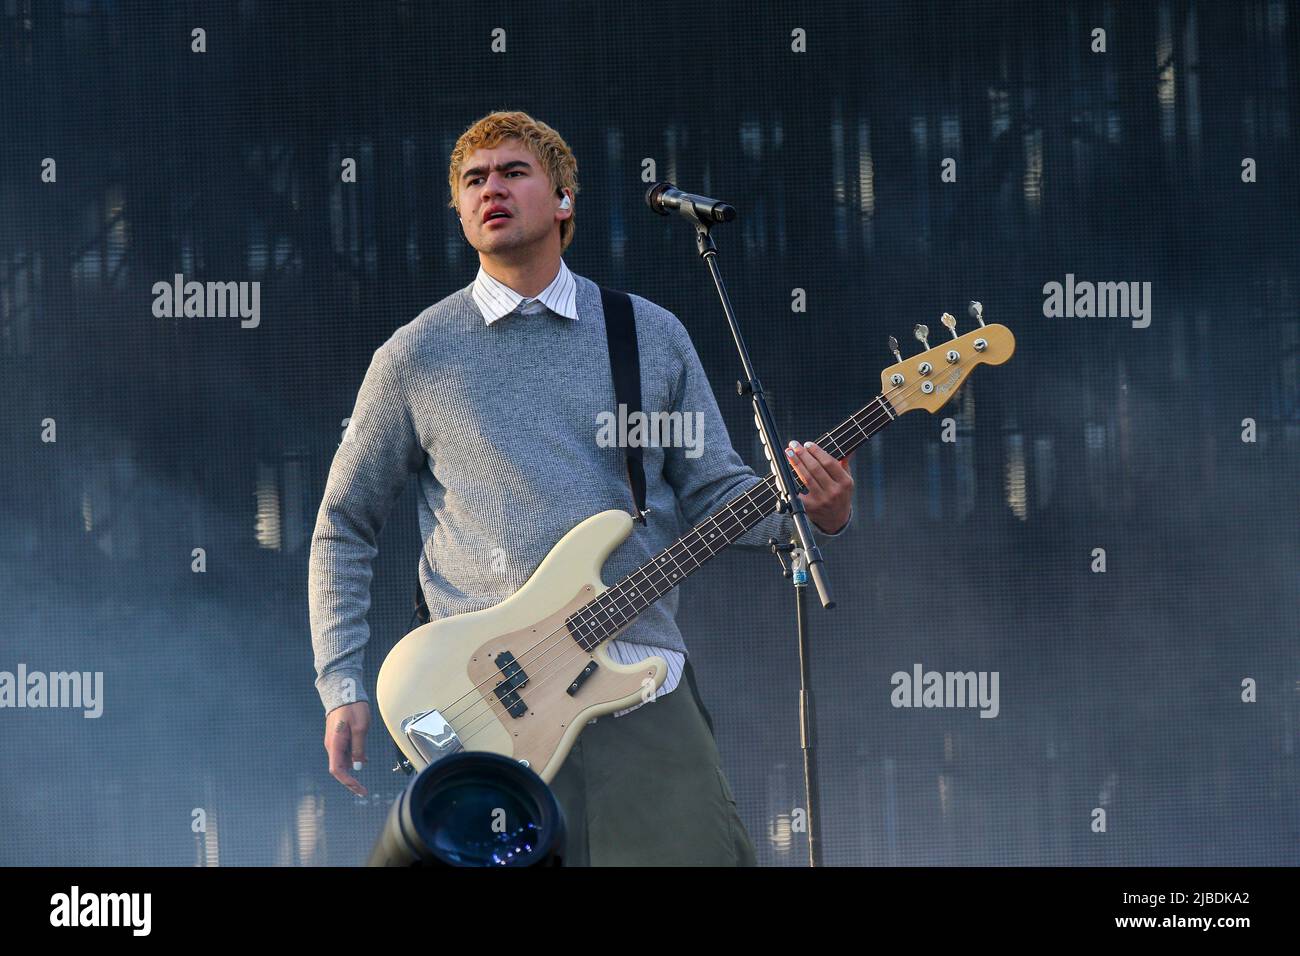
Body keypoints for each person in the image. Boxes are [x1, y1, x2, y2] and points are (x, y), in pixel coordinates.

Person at [308, 110, 854, 865]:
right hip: (490, 708)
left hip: (643, 691)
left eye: (512, 172)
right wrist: (341, 682)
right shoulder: (415, 356)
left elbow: (715, 491)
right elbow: (344, 522)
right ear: (460, 211)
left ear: (564, 200)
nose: (490, 188)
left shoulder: (647, 335)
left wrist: (811, 510)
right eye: (473, 180)